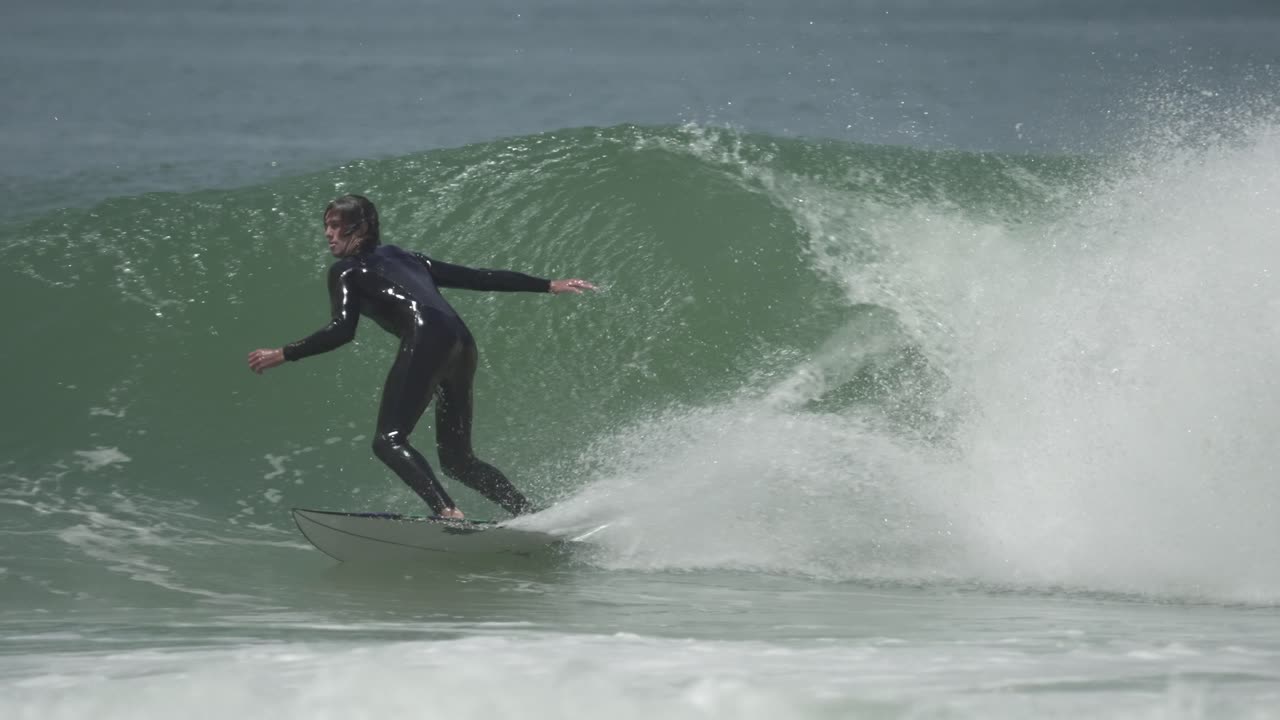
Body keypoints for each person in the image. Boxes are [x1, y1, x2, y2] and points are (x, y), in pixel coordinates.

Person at [247, 195, 595, 520]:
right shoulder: (408, 257)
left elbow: (342, 329)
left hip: (428, 340)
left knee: (388, 441)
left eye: (337, 225)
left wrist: (285, 353)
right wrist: (548, 284)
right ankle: (530, 515)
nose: (328, 233)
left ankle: (447, 512)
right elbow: (477, 278)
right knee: (458, 460)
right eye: (326, 225)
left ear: (362, 228)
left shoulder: (346, 271)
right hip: (461, 342)